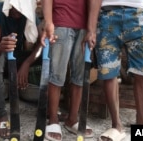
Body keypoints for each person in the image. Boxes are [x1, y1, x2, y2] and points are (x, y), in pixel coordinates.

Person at [40, 0, 100, 140]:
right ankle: (53, 119)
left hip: (85, 25)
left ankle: (72, 119)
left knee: (79, 75)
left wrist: (92, 30)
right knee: (57, 74)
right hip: (61, 20)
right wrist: (48, 21)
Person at [91, 0, 143, 141]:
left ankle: (142, 129)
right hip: (106, 15)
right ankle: (116, 126)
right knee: (108, 72)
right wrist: (91, 28)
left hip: (139, 13)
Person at [0, 0, 42, 139]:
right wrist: (3, 45)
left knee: (47, 53)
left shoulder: (29, 13)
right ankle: (2, 116)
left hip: (16, 55)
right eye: (15, 7)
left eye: (22, 8)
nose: (18, 11)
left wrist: (26, 64)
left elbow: (41, 42)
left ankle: (49, 110)